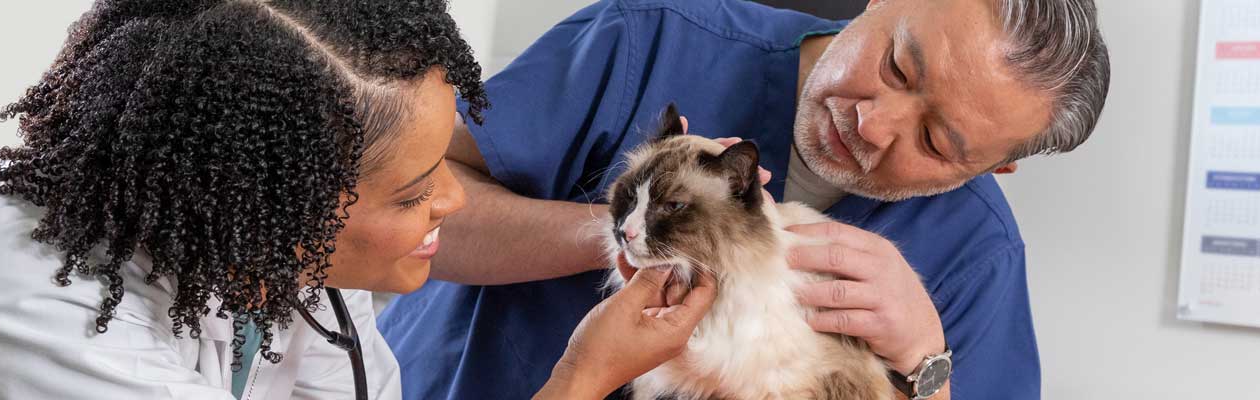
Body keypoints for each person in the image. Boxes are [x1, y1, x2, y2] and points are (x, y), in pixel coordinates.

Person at [0, 1, 716, 399]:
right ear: (266, 196)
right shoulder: (31, 311)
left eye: (442, 165)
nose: (453, 199)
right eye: (412, 192)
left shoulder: (284, 265)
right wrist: (582, 375)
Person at [375, 0, 1112, 398]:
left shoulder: (975, 255)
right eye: (896, 65)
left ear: (995, 168)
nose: (873, 122)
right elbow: (382, 207)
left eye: (936, 141)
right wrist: (629, 237)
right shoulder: (651, 39)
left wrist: (925, 361)